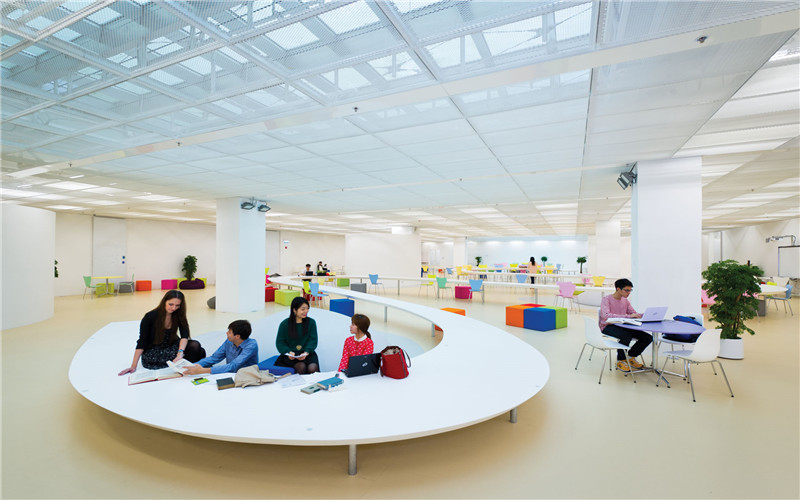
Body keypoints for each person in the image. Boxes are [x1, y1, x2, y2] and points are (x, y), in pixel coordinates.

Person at [118, 290, 204, 375]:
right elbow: (142, 341)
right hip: (154, 351)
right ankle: (181, 363)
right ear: (164, 301)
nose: (174, 308)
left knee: (196, 347)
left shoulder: (178, 314)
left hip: (171, 345)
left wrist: (180, 353)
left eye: (177, 305)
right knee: (199, 352)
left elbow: (184, 336)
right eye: (171, 304)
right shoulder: (150, 316)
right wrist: (133, 366)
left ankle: (181, 362)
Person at [598, 278, 649, 372]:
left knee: (647, 337)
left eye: (630, 290)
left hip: (623, 325)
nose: (629, 293)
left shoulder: (625, 300)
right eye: (626, 290)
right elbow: (606, 316)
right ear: (618, 289)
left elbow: (633, 313)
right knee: (626, 336)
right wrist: (628, 316)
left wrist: (645, 315)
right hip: (608, 326)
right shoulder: (606, 299)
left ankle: (630, 357)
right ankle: (620, 360)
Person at [184, 320, 258, 375]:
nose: (226, 333)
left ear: (237, 336)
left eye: (229, 332)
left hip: (245, 376)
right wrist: (195, 365)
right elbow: (214, 358)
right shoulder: (229, 341)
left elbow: (233, 366)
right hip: (229, 373)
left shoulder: (251, 345)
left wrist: (202, 370)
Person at [274, 296, 319, 374]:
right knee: (301, 366)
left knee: (312, 368)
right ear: (294, 310)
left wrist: (306, 352)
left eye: (307, 308)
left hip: (307, 353)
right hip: (291, 355)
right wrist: (288, 352)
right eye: (303, 309)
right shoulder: (284, 324)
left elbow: (313, 340)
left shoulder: (311, 322)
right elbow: (280, 342)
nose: (306, 311)